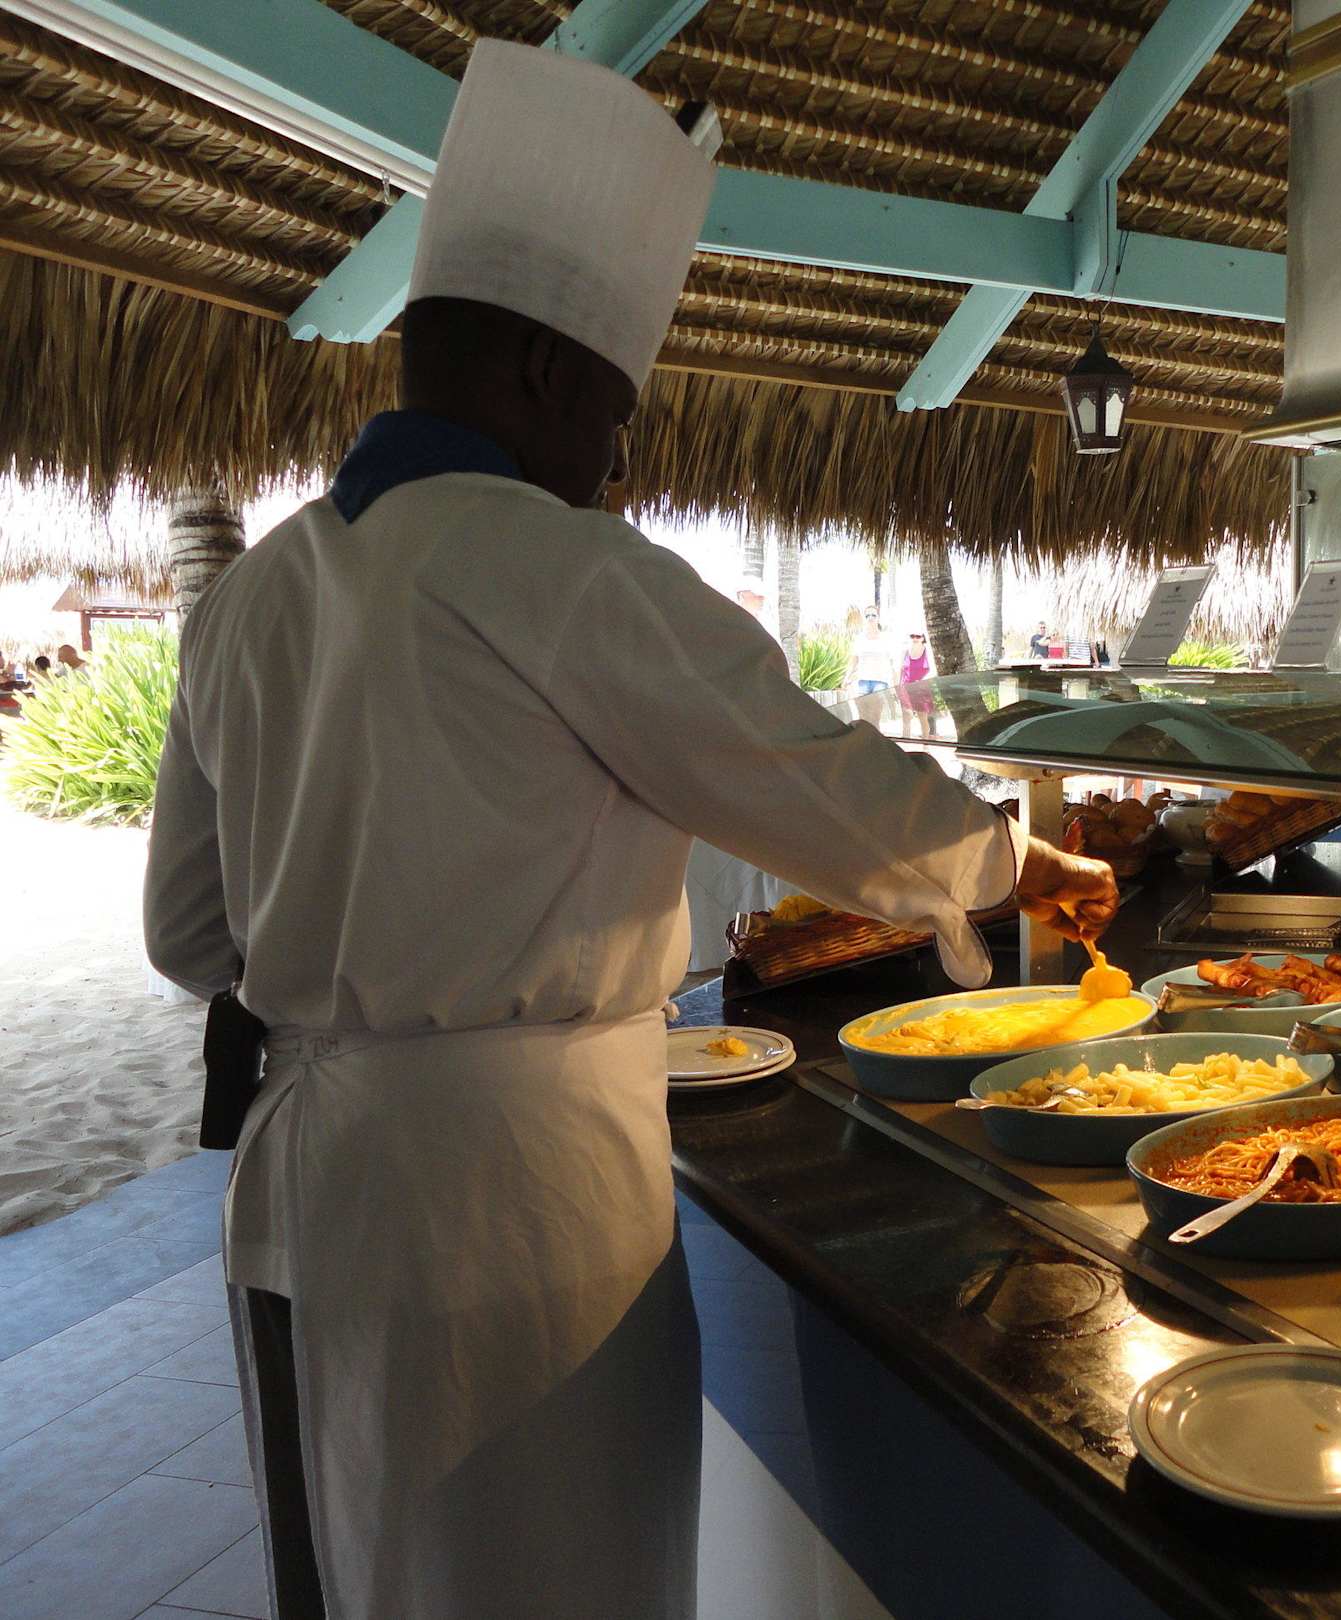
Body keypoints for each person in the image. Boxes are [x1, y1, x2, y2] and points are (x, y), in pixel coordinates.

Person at [141, 41, 1116, 1620]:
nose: (616, 456)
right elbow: (807, 772)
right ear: (542, 371)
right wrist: (1014, 862)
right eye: (618, 410)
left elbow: (188, 937)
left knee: (364, 1574)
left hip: (308, 1201)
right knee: (557, 1578)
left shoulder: (250, 598)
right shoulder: (565, 569)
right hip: (518, 1214)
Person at [849, 610, 897, 694]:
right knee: (862, 703)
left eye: (873, 615)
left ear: (878, 618)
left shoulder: (886, 638)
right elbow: (854, 661)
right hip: (863, 682)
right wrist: (846, 678)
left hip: (881, 682)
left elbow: (892, 663)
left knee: (877, 702)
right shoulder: (859, 639)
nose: (870, 618)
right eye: (867, 616)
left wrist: (895, 684)